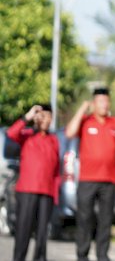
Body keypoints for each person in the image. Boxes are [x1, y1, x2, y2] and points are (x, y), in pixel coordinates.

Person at [65, 87, 115, 261]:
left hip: (109, 180)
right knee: (85, 218)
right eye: (100, 101)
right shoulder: (85, 121)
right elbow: (69, 132)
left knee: (106, 220)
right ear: (94, 103)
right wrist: (82, 110)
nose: (104, 105)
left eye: (106, 101)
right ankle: (82, 255)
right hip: (87, 180)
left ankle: (102, 255)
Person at [7, 104, 59, 261]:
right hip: (27, 191)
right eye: (41, 115)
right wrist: (28, 117)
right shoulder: (26, 135)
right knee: (23, 231)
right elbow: (11, 133)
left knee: (42, 234)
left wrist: (56, 195)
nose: (45, 119)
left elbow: (57, 171)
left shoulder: (53, 140)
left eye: (48, 116)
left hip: (47, 193)